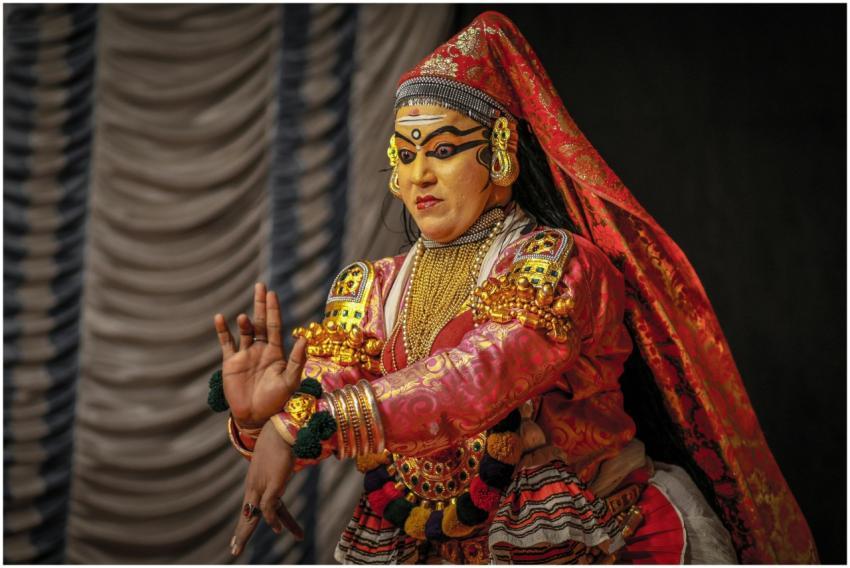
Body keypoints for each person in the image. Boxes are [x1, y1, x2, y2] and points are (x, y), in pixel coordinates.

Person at [213, 12, 818, 564]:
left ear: (501, 152)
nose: (419, 172)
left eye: (444, 150)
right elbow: (329, 394)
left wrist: (296, 425)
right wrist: (261, 417)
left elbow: (484, 374)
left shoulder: (556, 264)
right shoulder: (374, 286)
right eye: (405, 154)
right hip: (426, 545)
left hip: (597, 535)